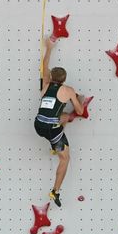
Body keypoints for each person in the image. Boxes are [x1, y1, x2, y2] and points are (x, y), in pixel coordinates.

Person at [34, 37, 84, 207]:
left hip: (38, 125)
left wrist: (49, 48)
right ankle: (55, 191)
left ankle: (55, 145)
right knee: (65, 158)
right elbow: (80, 112)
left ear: (52, 76)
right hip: (51, 129)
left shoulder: (46, 83)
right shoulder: (68, 90)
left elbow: (45, 65)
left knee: (61, 117)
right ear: (64, 79)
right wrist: (79, 100)